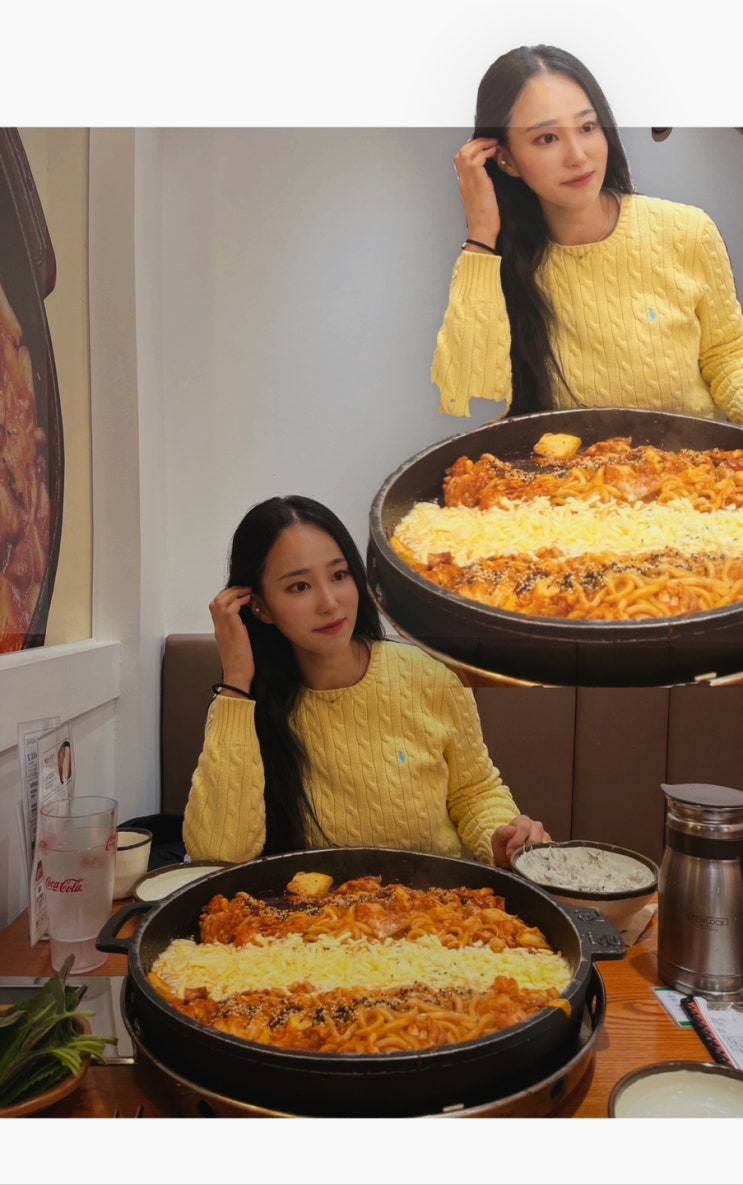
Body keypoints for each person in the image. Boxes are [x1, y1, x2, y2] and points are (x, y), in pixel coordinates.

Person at [183, 495, 549, 868]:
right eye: (299, 587)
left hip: (436, 897)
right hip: (304, 905)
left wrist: (503, 841)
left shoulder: (429, 679)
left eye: (339, 575)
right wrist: (236, 682)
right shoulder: (249, 705)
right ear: (260, 606)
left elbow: (474, 791)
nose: (330, 603)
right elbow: (218, 854)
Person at [432, 44, 743, 424]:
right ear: (506, 160)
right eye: (547, 138)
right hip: (562, 463)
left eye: (587, 127)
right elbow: (473, 400)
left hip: (692, 460)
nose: (578, 156)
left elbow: (727, 354)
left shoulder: (688, 231)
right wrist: (481, 235)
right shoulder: (501, 267)